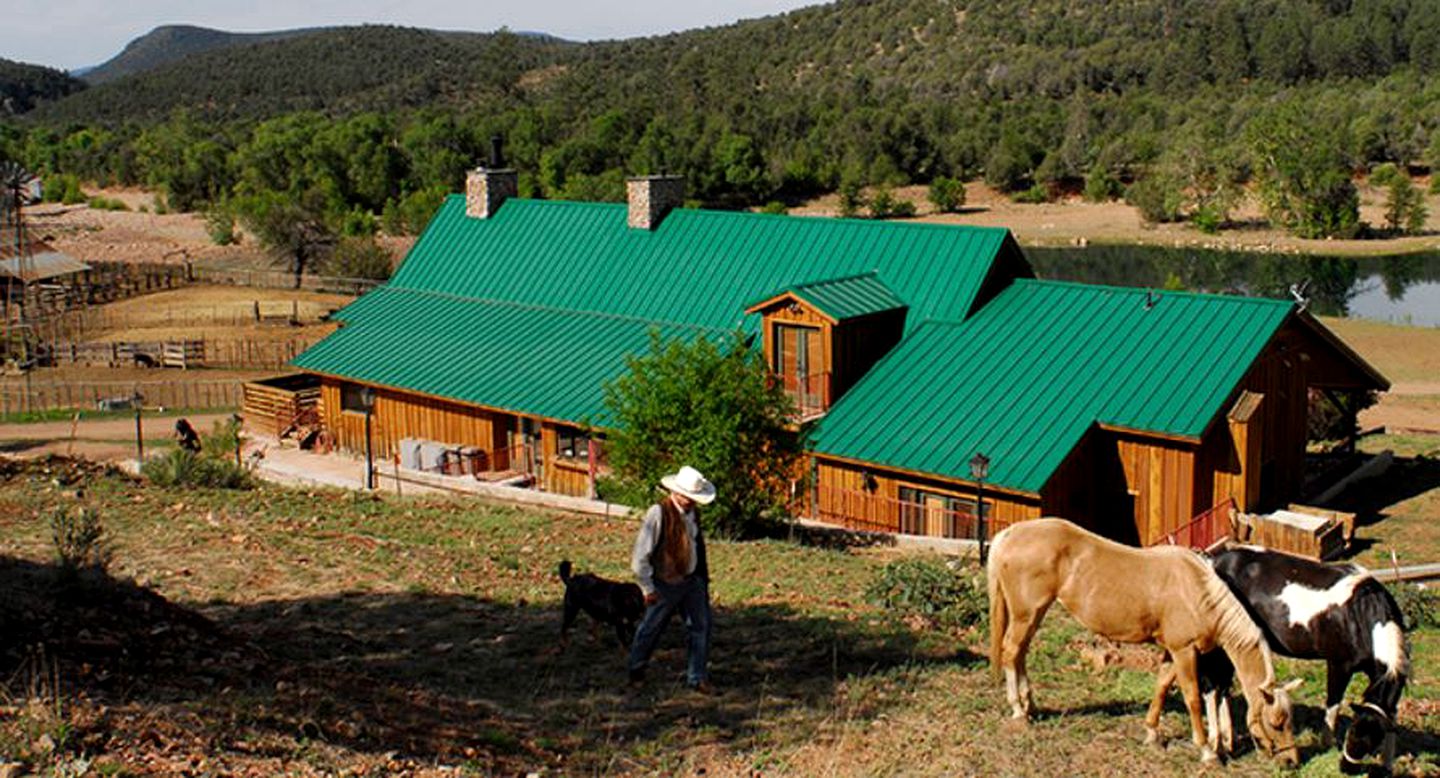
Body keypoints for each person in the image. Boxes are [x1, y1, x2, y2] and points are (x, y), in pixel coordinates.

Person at [628, 465, 716, 694]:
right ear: (677, 493)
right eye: (690, 498)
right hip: (664, 583)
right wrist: (647, 587)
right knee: (651, 628)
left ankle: (697, 677)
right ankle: (636, 670)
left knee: (701, 627)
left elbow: (697, 545)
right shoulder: (657, 513)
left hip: (692, 580)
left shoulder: (693, 513)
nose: (693, 502)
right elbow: (640, 556)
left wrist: (702, 580)